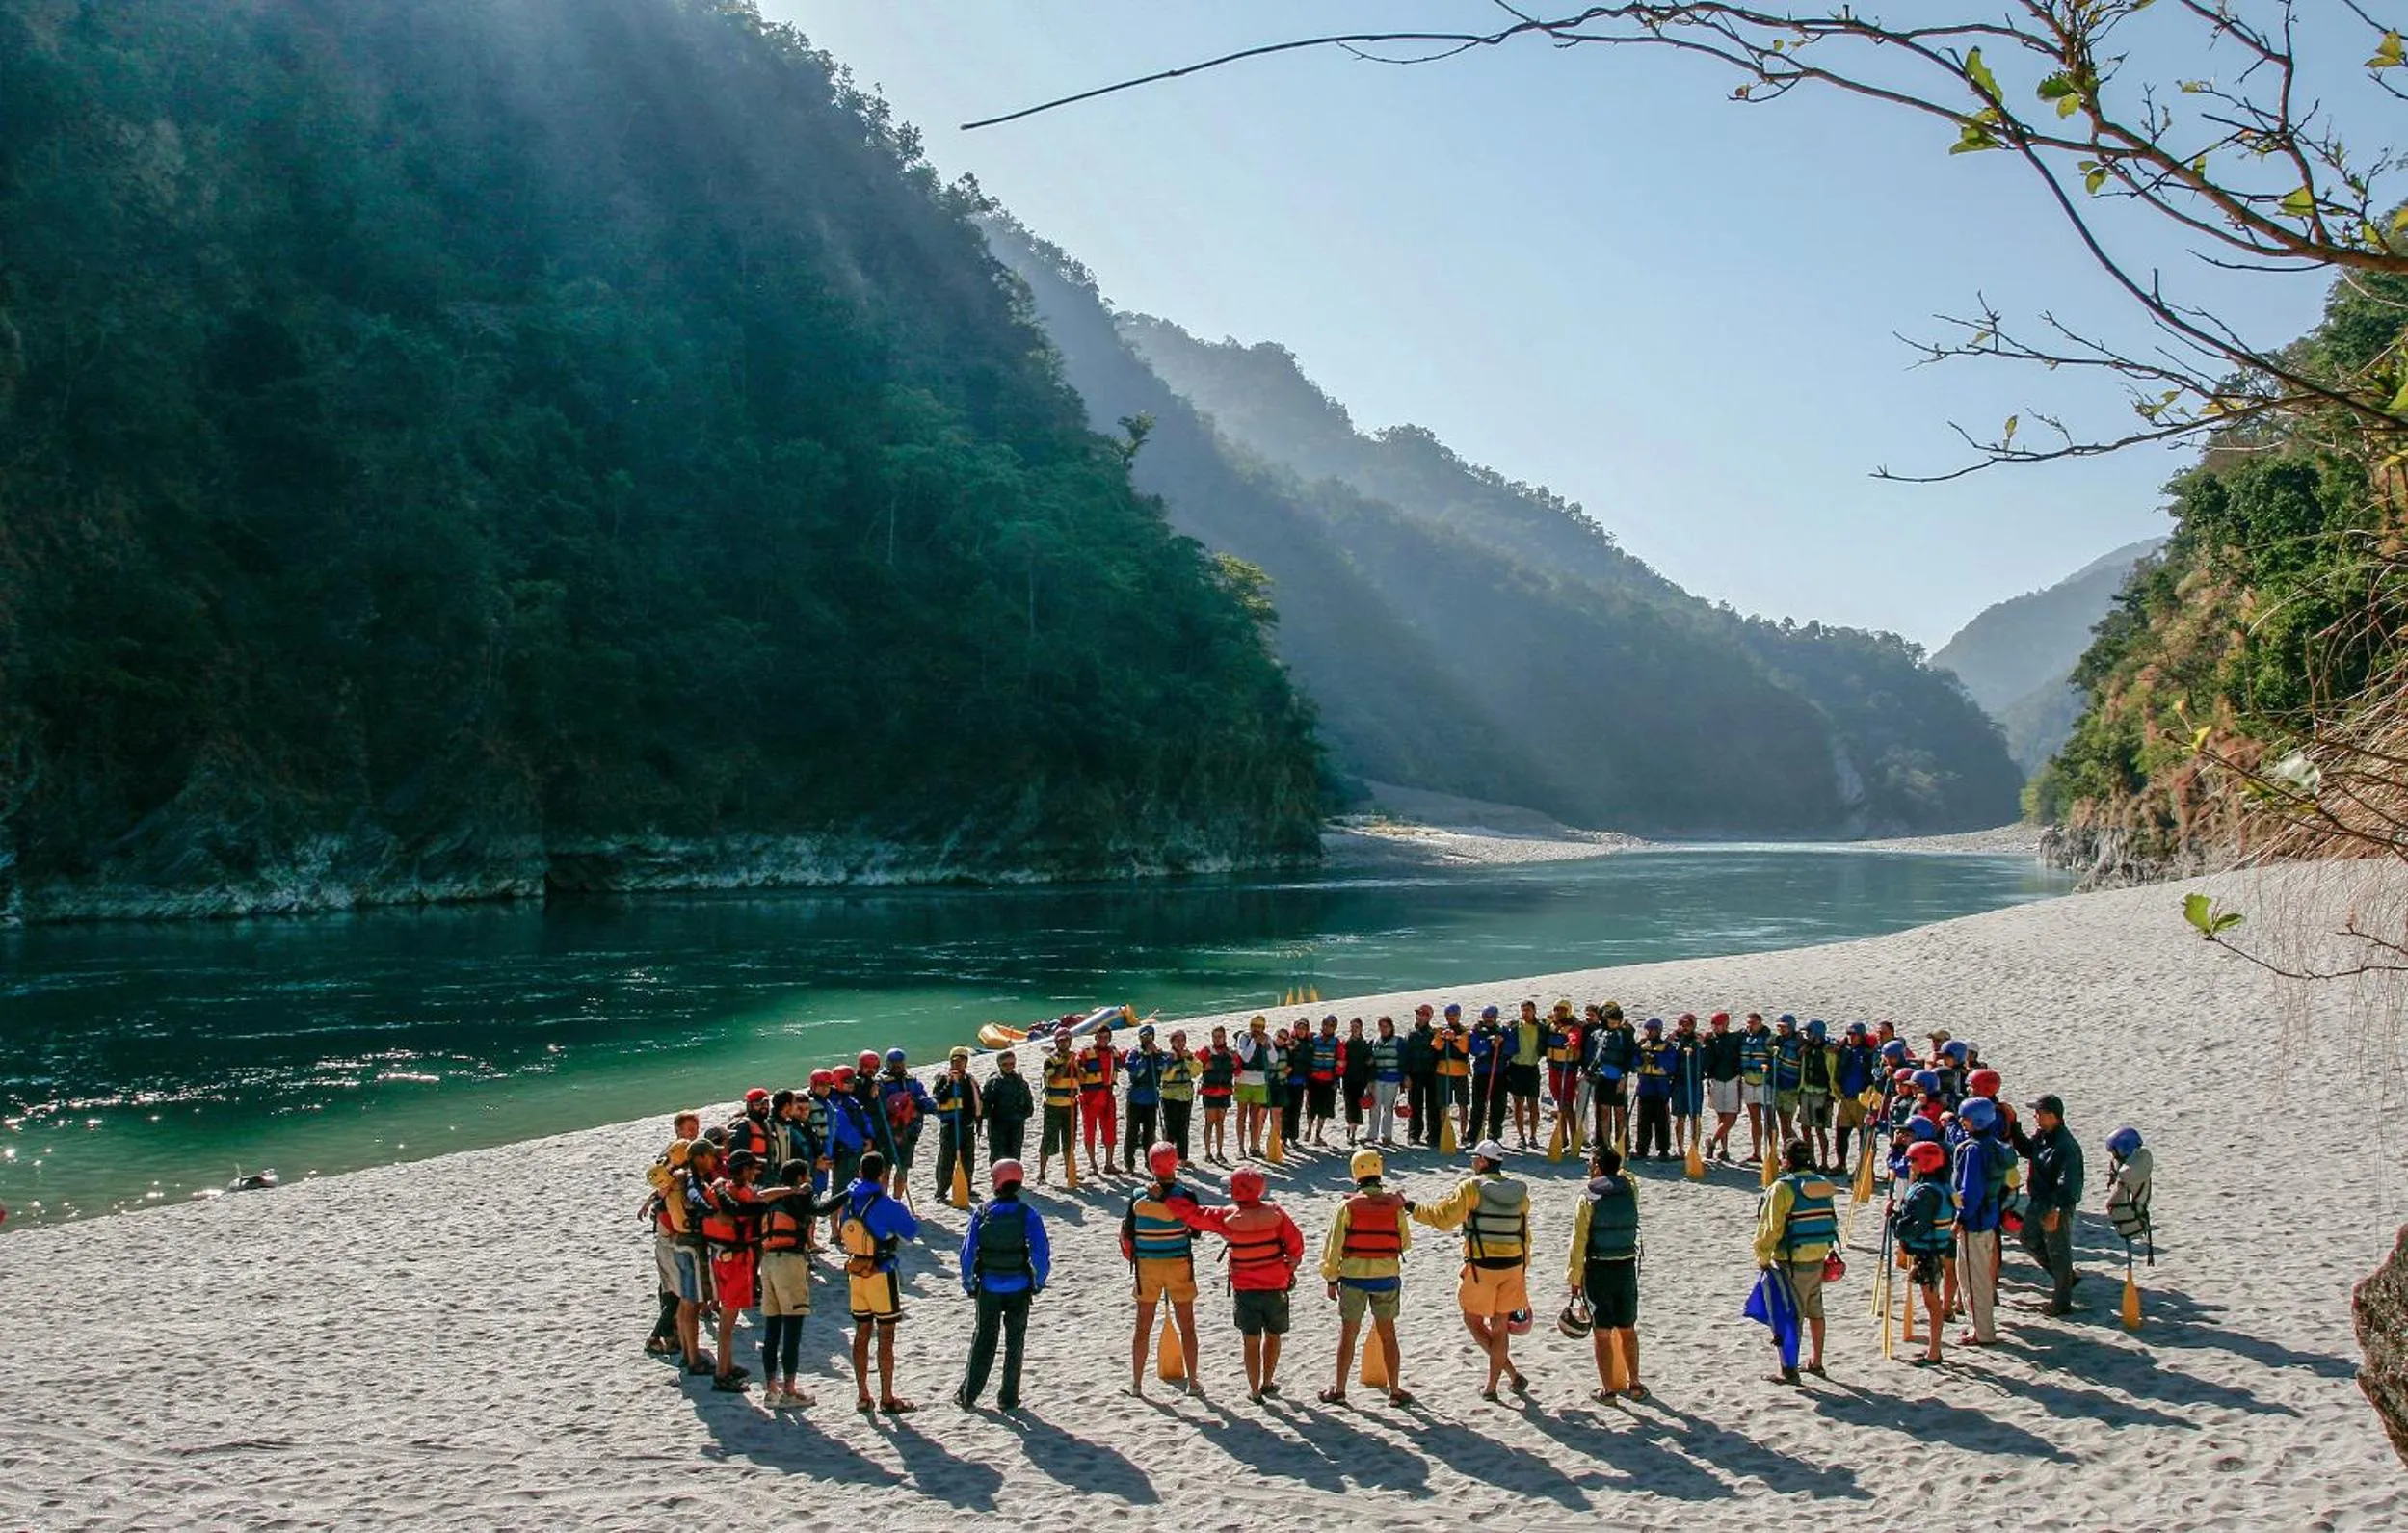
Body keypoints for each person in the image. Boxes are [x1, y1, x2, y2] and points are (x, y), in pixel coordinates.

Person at [1414, 1138, 1533, 1402]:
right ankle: (1503, 1380)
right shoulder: (1519, 1192)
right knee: (1500, 1326)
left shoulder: (1471, 1188)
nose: (1472, 1163)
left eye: (1474, 1158)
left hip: (1482, 1268)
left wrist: (1412, 1208)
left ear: (1482, 1161)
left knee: (1472, 1319)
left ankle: (1502, 1380)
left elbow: (1443, 1219)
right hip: (1513, 1266)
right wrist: (1524, 1268)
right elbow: (1524, 1233)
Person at [1177, 1163, 1307, 1404]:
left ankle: (1254, 1390)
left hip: (1246, 1289)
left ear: (1238, 1192)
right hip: (1276, 1285)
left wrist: (1169, 1196)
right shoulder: (1276, 1212)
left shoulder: (1227, 1216)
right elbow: (1296, 1243)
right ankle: (1268, 1382)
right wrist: (1293, 1262)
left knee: (1251, 1339)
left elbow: (1195, 1216)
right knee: (1274, 1334)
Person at [827, 1150, 922, 1413]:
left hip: (856, 1270)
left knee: (862, 1332)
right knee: (886, 1335)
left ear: (860, 1171)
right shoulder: (887, 1204)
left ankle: (863, 1395)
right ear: (882, 1173)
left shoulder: (849, 1200)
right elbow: (911, 1233)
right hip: (882, 1271)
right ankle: (887, 1397)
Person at [1319, 1147, 1415, 1408]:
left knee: (1348, 1334)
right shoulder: (1395, 1206)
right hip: (1386, 1277)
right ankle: (1395, 1390)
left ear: (1355, 1174)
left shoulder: (1347, 1206)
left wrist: (1330, 1277)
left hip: (1353, 1278)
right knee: (1388, 1334)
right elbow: (1405, 1243)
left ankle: (1339, 1390)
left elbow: (1333, 1245)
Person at [955, 1159, 1049, 1412]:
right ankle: (1008, 1398)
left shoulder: (983, 1212)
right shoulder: (1028, 1213)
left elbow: (967, 1252)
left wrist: (968, 1283)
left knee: (984, 1339)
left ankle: (969, 1394)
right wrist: (1038, 1282)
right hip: (1019, 1286)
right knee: (1014, 1342)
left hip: (988, 1285)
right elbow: (1041, 1253)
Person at [1122, 1142, 1203, 1396]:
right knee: (1187, 1325)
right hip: (1179, 1265)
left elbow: (1129, 1233)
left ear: (1150, 1165)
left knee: (1142, 1327)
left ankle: (1136, 1384)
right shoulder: (1186, 1196)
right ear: (1176, 1163)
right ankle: (1193, 1382)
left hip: (1147, 1268)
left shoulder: (1137, 1196)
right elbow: (1197, 1231)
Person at [1753, 1139, 1838, 1385]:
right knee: (1816, 1312)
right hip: (1818, 1258)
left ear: (1787, 1160)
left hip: (1792, 1261)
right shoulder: (1822, 1184)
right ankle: (1817, 1362)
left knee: (1790, 1316)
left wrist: (1762, 1256)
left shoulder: (1783, 1188)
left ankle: (1789, 1369)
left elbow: (1771, 1227)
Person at [1566, 1145, 1644, 1402]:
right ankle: (1634, 1384)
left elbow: (1579, 1242)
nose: (1588, 1168)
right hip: (1626, 1266)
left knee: (1602, 1332)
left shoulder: (1587, 1197)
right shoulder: (1630, 1189)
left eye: (1591, 1163)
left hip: (1599, 1269)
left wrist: (1574, 1279)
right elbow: (1627, 1175)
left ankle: (1608, 1390)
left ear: (1597, 1167)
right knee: (1627, 1328)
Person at [699, 1146, 778, 1393]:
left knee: (726, 1318)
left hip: (720, 1256)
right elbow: (754, 1207)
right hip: (735, 1261)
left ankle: (727, 1364)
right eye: (753, 1168)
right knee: (727, 1321)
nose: (756, 1172)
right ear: (744, 1170)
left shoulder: (720, 1187)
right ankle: (722, 1374)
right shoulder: (741, 1196)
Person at [2011, 1094, 2085, 1314]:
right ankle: (2066, 1278)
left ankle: (2062, 1303)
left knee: (2059, 1250)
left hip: (2055, 1204)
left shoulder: (2066, 1146)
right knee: (2028, 1239)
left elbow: (2069, 1184)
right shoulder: (2044, 1135)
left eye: (2040, 1113)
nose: (2036, 1116)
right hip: (2039, 1199)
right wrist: (2014, 1127)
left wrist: (2056, 1209)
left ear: (2053, 1117)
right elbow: (2028, 1151)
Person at [757, 1158, 819, 1407]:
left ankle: (771, 1388)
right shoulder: (799, 1197)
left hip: (768, 1263)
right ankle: (790, 1389)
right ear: (799, 1178)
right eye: (808, 1176)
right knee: (792, 1329)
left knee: (772, 1330)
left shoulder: (772, 1199)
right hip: (790, 1263)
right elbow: (821, 1209)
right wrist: (847, 1193)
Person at [1952, 1095, 2010, 1347]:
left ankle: (1983, 1332)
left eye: (1965, 1118)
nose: (1962, 1122)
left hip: (1974, 1221)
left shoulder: (1974, 1150)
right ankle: (1980, 1326)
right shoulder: (1994, 1144)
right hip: (1989, 1216)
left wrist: (1960, 1218)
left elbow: (1970, 1191)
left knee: (1973, 1279)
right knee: (1978, 1275)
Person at [1892, 1139, 1957, 1365]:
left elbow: (1911, 1227)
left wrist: (1895, 1220)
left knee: (1932, 1302)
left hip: (1928, 1252)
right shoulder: (1942, 1186)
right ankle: (1934, 1349)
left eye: (1913, 1161)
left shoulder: (1926, 1192)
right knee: (1933, 1300)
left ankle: (1934, 1351)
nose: (1910, 1165)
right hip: (1939, 1248)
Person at [879, 1049, 937, 1198]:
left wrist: (923, 1104)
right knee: (885, 1169)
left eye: (900, 1063)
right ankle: (884, 1200)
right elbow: (880, 1105)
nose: (898, 1066)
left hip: (909, 1130)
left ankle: (897, 1199)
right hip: (888, 1132)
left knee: (903, 1168)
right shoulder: (880, 1082)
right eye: (894, 1063)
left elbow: (924, 1099)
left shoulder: (912, 1081)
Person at [931, 1047, 983, 1205]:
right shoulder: (943, 1079)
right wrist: (949, 1084)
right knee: (946, 1160)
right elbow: (937, 1098)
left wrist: (977, 1121)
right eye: (955, 1061)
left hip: (966, 1126)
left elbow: (976, 1101)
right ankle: (941, 1191)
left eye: (961, 1061)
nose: (958, 1064)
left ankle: (967, 1186)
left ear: (966, 1062)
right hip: (950, 1126)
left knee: (968, 1159)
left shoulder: (970, 1080)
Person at [1585, 1005, 1635, 1151]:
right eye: (1610, 1021)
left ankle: (1621, 1145)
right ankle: (1605, 1145)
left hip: (1618, 1078)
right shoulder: (1598, 1034)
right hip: (1602, 1078)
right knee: (1604, 1111)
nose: (1613, 1024)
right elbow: (1593, 1056)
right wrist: (1589, 1072)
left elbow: (1628, 1057)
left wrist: (1623, 1078)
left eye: (1616, 1021)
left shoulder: (1624, 1036)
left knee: (1619, 1113)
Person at [1833, 1023, 1879, 1175]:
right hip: (1846, 1097)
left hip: (1863, 1100)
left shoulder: (1868, 1053)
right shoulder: (1843, 1050)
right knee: (1841, 1133)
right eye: (1849, 1034)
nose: (1851, 1037)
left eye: (1854, 1034)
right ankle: (1841, 1164)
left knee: (1864, 1136)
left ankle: (1865, 1168)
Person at [1076, 1026, 1122, 1177]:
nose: (1103, 1039)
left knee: (1110, 1130)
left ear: (1109, 1038)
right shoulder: (1085, 1053)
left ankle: (1109, 1164)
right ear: (1095, 1037)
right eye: (1100, 1037)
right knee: (1090, 1130)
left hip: (1108, 1095)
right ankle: (1092, 1164)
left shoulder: (1113, 1053)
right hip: (1090, 1096)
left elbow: (1125, 1061)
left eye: (1106, 1037)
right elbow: (1077, 1069)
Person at [2105, 1124, 2154, 1260]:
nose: (2113, 1156)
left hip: (2133, 1218)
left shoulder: (2130, 1172)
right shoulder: (2136, 1160)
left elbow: (2113, 1203)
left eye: (2114, 1152)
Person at [1037, 1033, 1079, 1184]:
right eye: (1060, 1041)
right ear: (1056, 1042)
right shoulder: (1050, 1061)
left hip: (1071, 1105)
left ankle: (1069, 1170)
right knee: (1048, 1139)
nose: (1064, 1043)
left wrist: (1077, 1065)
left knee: (1069, 1140)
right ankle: (1041, 1173)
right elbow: (1055, 1080)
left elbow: (1083, 1078)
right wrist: (1067, 1062)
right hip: (1053, 1106)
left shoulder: (1075, 1060)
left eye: (1066, 1040)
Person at [1122, 1024, 1167, 1167]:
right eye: (1144, 1036)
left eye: (1149, 1036)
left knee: (1150, 1132)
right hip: (1136, 1097)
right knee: (1132, 1131)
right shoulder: (1135, 1052)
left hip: (1151, 1097)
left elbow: (1165, 1068)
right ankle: (1129, 1162)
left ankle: (1150, 1161)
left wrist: (1157, 1055)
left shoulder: (1157, 1054)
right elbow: (1134, 1071)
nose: (1147, 1039)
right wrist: (1144, 1057)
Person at [1631, 1018, 1676, 1161]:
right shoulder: (1642, 1047)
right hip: (1645, 1088)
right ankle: (1642, 1149)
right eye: (1648, 1029)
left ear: (1659, 1031)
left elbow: (1671, 1066)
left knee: (1661, 1121)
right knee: (1643, 1121)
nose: (1650, 1032)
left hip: (1660, 1090)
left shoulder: (1667, 1047)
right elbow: (1633, 1064)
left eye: (1653, 1030)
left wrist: (1656, 1060)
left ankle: (1663, 1150)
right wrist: (1641, 1058)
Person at [1703, 1011, 1744, 1160]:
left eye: (1719, 1025)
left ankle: (1713, 1142)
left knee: (1731, 1116)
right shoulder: (1710, 1041)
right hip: (1716, 1080)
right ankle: (1723, 1148)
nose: (1716, 1028)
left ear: (1726, 1025)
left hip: (1733, 1079)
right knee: (1721, 1115)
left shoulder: (1734, 1038)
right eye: (1714, 1025)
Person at [985, 1049, 1034, 1169]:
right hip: (998, 1123)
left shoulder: (1020, 1082)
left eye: (1011, 1064)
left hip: (1016, 1122)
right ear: (999, 1065)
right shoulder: (993, 1082)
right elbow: (985, 1104)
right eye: (1005, 1064)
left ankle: (1013, 1178)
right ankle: (998, 1178)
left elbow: (1029, 1102)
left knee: (1015, 1152)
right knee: (997, 1153)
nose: (1008, 1067)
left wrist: (1023, 1115)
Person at [1508, 999, 1548, 1149]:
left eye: (1528, 1010)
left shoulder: (1542, 1028)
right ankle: (1521, 1136)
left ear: (1534, 1011)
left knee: (1533, 1103)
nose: (1525, 1013)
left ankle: (1533, 1136)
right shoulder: (1515, 1026)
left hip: (1532, 1068)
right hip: (1516, 1068)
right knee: (1518, 1103)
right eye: (1523, 1010)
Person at [1796, 1020, 1835, 1172]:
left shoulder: (1828, 1051)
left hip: (1822, 1095)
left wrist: (1831, 1095)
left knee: (1820, 1129)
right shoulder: (1806, 1049)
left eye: (1809, 1033)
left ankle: (1824, 1162)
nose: (1807, 1036)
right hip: (1806, 1091)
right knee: (1805, 1128)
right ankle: (1810, 1159)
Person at [1236, 1016, 1277, 1158]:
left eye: (1259, 1027)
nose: (1256, 1029)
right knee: (1241, 1115)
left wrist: (1268, 1045)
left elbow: (1273, 1059)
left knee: (1255, 1116)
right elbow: (1245, 1057)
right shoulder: (1244, 1037)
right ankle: (1241, 1148)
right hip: (1244, 1080)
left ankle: (1254, 1146)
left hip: (1260, 1081)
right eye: (1254, 1026)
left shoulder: (1267, 1038)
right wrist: (1254, 1042)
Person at [1738, 1013, 1775, 1164]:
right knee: (1754, 1120)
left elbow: (1775, 1055)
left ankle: (1773, 1153)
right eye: (1748, 1023)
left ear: (1760, 1023)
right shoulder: (1743, 1037)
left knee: (1770, 1120)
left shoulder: (1769, 1038)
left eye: (1753, 1023)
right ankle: (1756, 1152)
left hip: (1764, 1083)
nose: (1750, 1026)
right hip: (1748, 1081)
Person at [1161, 1030, 1201, 1164]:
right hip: (1170, 1096)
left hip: (1185, 1096)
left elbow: (1196, 1072)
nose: (1180, 1043)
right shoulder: (1167, 1057)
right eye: (1177, 1040)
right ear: (1172, 1042)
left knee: (1183, 1128)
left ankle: (1182, 1158)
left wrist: (1188, 1058)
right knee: (1170, 1128)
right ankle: (1168, 1158)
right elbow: (1165, 1075)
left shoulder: (1189, 1056)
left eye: (1182, 1040)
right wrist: (1174, 1061)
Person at [1200, 1024, 1237, 1164]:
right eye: (1215, 1037)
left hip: (1224, 1092)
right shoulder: (1206, 1051)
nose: (1217, 1039)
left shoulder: (1230, 1053)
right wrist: (1204, 1067)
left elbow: (1238, 1068)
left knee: (1220, 1122)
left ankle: (1220, 1152)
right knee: (1209, 1122)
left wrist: (1235, 1062)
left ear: (1224, 1037)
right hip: (1210, 1091)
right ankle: (1208, 1153)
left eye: (1220, 1037)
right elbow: (1196, 1067)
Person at [1670, 1013, 1706, 1159]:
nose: (1684, 1028)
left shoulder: (1698, 1040)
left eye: (1688, 1025)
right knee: (1680, 1117)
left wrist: (1702, 1045)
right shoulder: (1674, 1040)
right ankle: (1680, 1149)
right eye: (1682, 1024)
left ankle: (1695, 1146)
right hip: (1679, 1082)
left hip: (1695, 1082)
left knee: (1695, 1116)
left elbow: (1705, 1061)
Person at [1404, 1006, 1441, 1147]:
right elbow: (1406, 1056)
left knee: (1433, 1106)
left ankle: (1434, 1135)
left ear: (1429, 1017)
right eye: (1418, 1013)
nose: (1419, 1016)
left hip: (1431, 1073)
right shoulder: (1411, 1034)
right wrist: (1406, 1075)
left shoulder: (1433, 1033)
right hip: (1415, 1073)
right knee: (1414, 1105)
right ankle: (1414, 1134)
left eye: (1423, 1014)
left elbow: (1438, 1053)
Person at [1436, 1005, 1472, 1140]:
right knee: (1444, 1104)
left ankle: (1463, 1133)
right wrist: (1443, 1037)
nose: (1451, 1018)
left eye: (1454, 1016)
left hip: (1460, 1073)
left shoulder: (1464, 1031)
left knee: (1463, 1104)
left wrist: (1454, 1039)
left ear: (1458, 1016)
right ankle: (1445, 1132)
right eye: (1448, 1016)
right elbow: (1437, 1045)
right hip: (1443, 1072)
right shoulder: (1440, 1031)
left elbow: (1464, 1048)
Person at [1367, 1016, 1405, 1146]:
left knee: (1388, 1107)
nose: (1383, 1029)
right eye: (1381, 1026)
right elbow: (1371, 1061)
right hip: (1378, 1079)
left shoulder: (1398, 1041)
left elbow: (1403, 1061)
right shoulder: (1375, 1042)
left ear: (1391, 1027)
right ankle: (1372, 1134)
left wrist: (1403, 1080)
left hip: (1392, 1079)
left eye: (1386, 1026)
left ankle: (1386, 1135)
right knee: (1374, 1106)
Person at [1306, 1015, 1342, 1144]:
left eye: (1332, 1025)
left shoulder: (1337, 1043)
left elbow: (1340, 1062)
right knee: (1311, 1107)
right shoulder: (1314, 1039)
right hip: (1314, 1079)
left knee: (1323, 1110)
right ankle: (1309, 1129)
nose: (1328, 1027)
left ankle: (1318, 1134)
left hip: (1328, 1080)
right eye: (1326, 1024)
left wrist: (1337, 1079)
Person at [1770, 1015, 1805, 1145]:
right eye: (1779, 1027)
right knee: (1783, 1121)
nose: (1781, 1029)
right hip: (1779, 1085)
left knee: (1786, 1122)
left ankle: (1794, 1147)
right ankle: (1791, 1148)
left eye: (1784, 1027)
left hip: (1792, 1087)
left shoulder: (1799, 1042)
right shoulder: (1778, 1040)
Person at [1340, 1016, 1375, 1146]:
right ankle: (1351, 1129)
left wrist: (1369, 1080)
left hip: (1360, 1080)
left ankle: (1353, 1132)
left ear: (1361, 1028)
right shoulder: (1346, 1044)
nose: (1354, 1029)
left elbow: (1370, 1063)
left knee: (1357, 1106)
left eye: (1357, 1027)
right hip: (1348, 1079)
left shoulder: (1365, 1045)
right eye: (1352, 1027)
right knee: (1349, 1105)